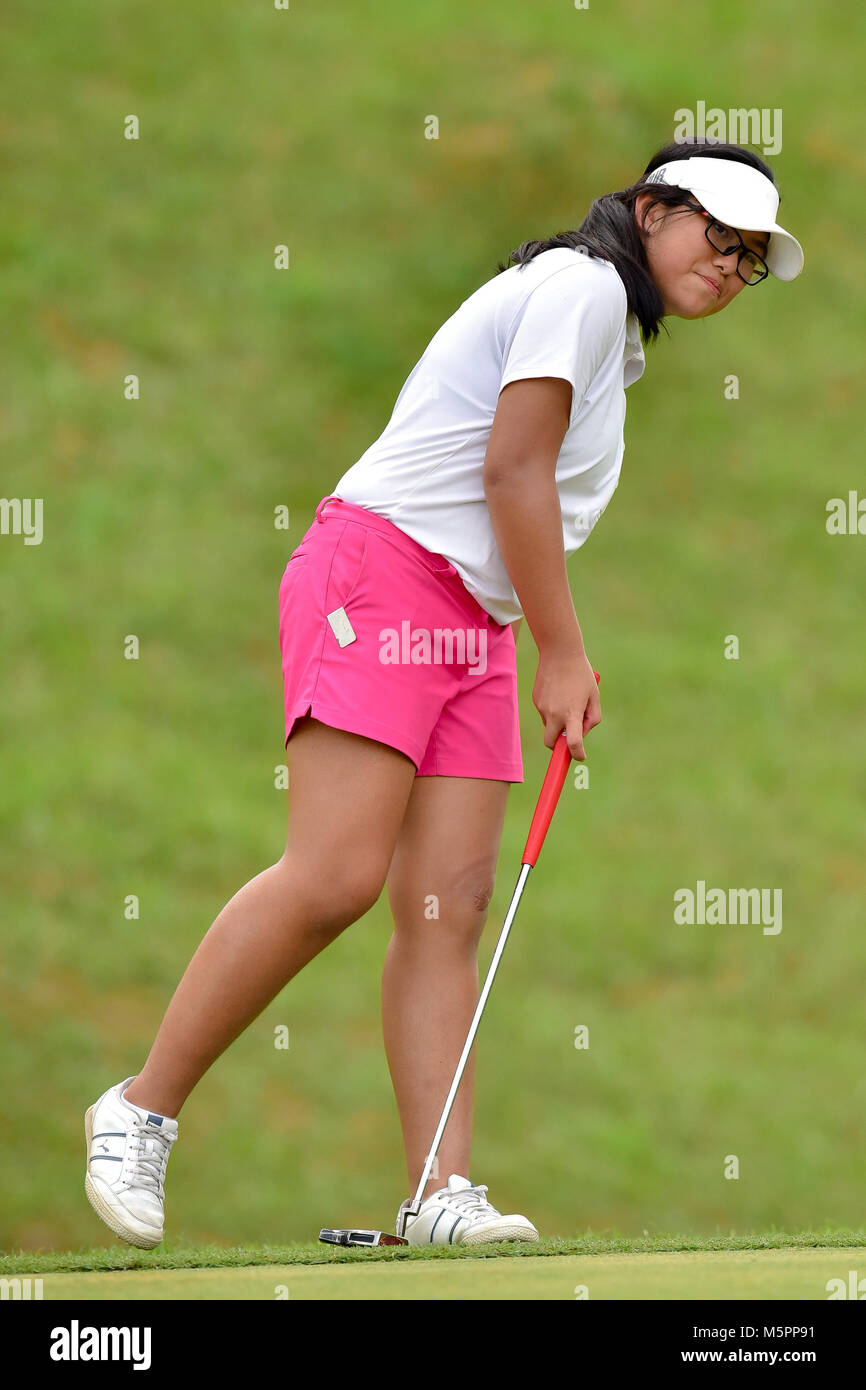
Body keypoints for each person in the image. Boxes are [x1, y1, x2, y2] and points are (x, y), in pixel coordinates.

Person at [84, 137, 803, 1249]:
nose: (730, 267)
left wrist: (532, 640)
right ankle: (139, 1107)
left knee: (445, 905)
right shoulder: (581, 281)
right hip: (380, 571)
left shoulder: (609, 330)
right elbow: (510, 469)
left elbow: (520, 493)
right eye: (718, 236)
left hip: (475, 612)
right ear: (651, 208)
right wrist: (562, 654)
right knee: (334, 874)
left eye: (749, 259)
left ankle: (435, 1192)